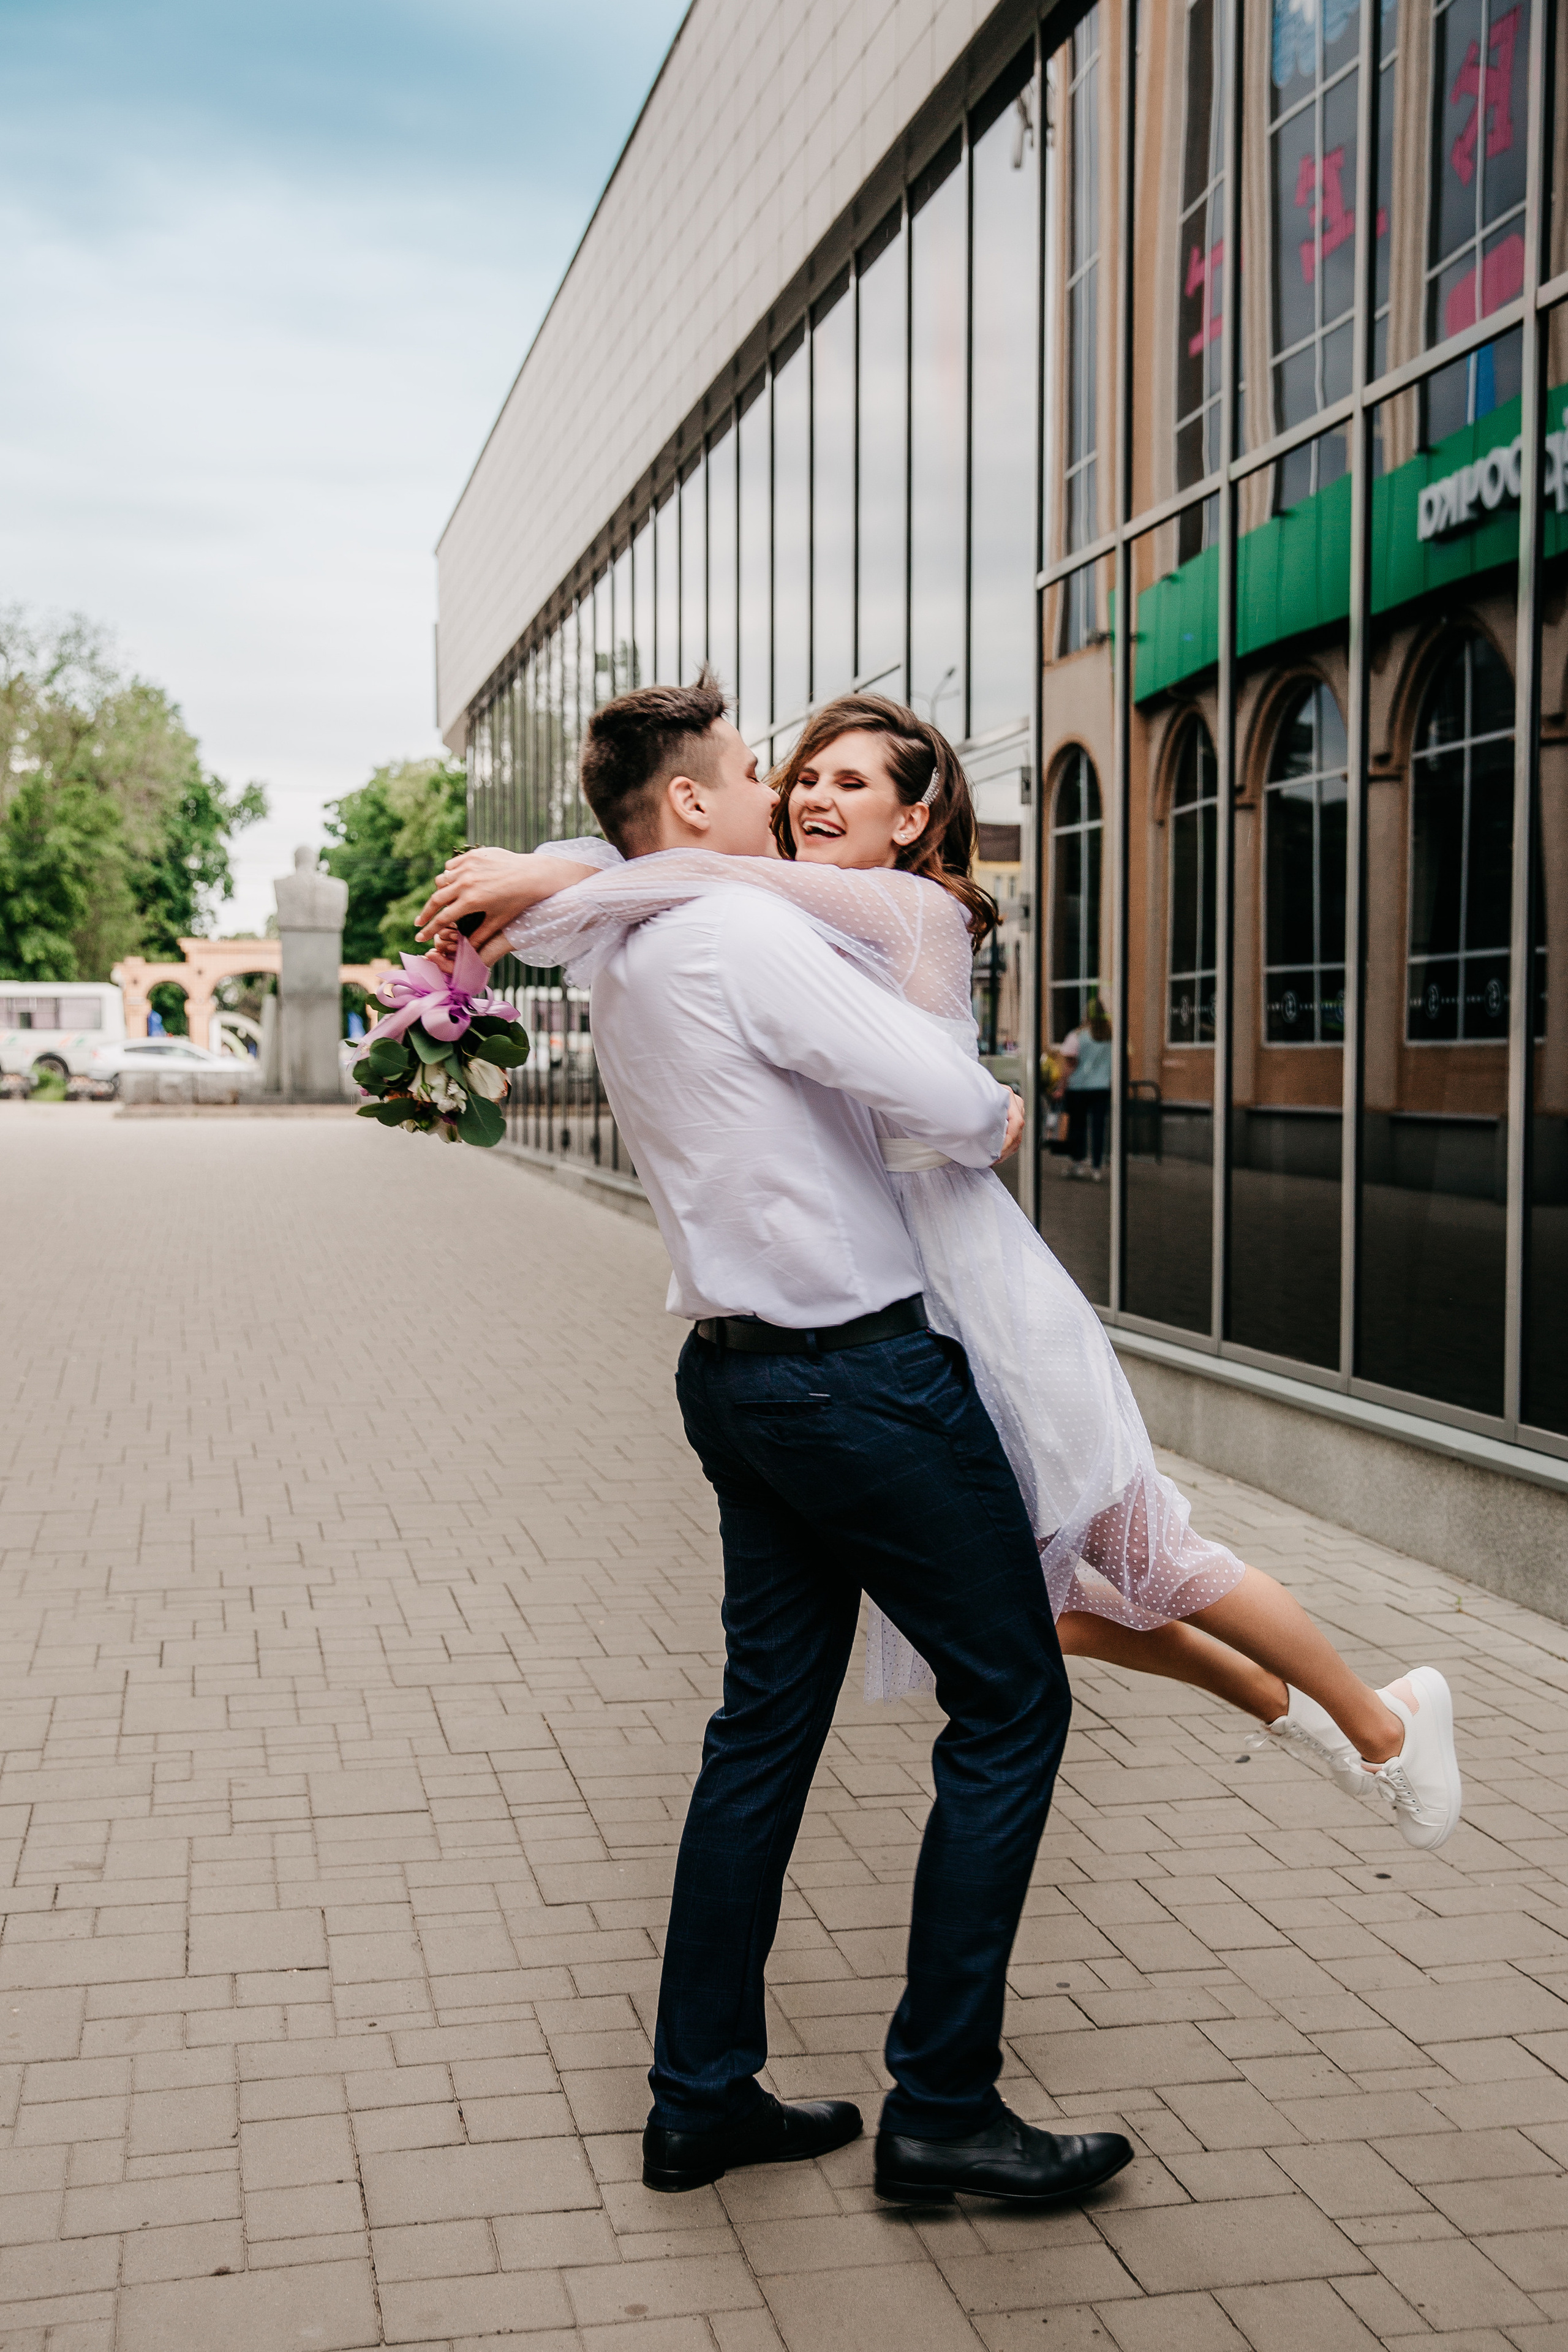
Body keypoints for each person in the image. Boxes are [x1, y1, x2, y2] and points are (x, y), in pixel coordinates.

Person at [420, 685, 1463, 1869]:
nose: (811, 795)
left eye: (851, 784)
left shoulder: (902, 906)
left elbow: (704, 874)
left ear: (913, 823)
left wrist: (552, 871)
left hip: (976, 1280)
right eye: (803, 775)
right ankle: (1302, 1719)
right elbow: (675, 863)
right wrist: (545, 869)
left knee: (1145, 1554)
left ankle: (1385, 1726)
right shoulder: (791, 916)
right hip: (897, 1289)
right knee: (1044, 1605)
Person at [425, 676, 1133, 2211]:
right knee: (1010, 1703)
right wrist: (971, 1103)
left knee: (760, 1727)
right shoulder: (744, 933)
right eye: (752, 771)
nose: (774, 794)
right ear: (689, 804)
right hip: (857, 1379)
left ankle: (700, 2096)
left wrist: (562, 867)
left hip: (734, 1383)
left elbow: (592, 882)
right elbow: (954, 1097)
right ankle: (942, 2106)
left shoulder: (624, 938)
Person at [1058, 1000, 1112, 1180]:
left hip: (1079, 1088)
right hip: (1102, 1087)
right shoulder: (1110, 1036)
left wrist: (1061, 1087)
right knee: (1099, 1128)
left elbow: (1070, 1065)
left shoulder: (1078, 1035)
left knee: (1078, 1126)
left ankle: (1078, 1164)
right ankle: (1097, 1167)